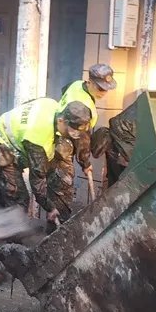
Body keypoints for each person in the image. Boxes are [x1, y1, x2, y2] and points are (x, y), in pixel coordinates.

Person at [0, 98, 91, 228]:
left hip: (16, 138)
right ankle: (13, 242)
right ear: (61, 121)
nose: (71, 135)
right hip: (0, 143)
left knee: (7, 189)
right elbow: (37, 180)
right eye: (70, 131)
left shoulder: (54, 106)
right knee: (18, 196)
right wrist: (50, 207)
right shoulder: (39, 137)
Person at [58, 63, 118, 206]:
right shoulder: (82, 109)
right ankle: (57, 224)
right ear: (90, 82)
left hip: (64, 135)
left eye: (106, 89)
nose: (103, 92)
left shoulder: (76, 85)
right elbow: (82, 140)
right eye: (100, 88)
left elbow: (64, 91)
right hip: (62, 144)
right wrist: (86, 163)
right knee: (63, 187)